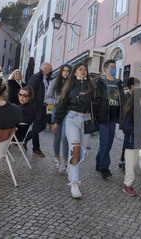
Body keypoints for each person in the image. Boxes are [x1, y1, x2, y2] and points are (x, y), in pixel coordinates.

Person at [52, 63, 100, 199]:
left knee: (81, 153)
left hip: (86, 120)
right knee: (76, 149)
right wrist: (56, 121)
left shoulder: (92, 87)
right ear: (75, 73)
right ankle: (74, 184)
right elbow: (62, 105)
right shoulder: (70, 87)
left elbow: (99, 102)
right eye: (80, 69)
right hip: (72, 118)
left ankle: (70, 169)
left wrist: (92, 106)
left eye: (85, 69)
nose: (83, 71)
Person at [94, 59, 125, 179]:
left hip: (113, 117)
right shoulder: (99, 82)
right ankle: (104, 167)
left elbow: (122, 99)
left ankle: (98, 162)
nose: (114, 68)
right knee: (105, 141)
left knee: (108, 142)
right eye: (112, 66)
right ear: (105, 68)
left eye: (115, 66)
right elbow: (96, 99)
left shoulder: (119, 83)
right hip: (103, 116)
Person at [45, 63, 71, 172]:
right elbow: (47, 98)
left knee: (65, 137)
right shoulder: (54, 82)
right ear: (61, 72)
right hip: (57, 111)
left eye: (68, 71)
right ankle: (56, 158)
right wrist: (56, 102)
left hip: (69, 112)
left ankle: (65, 160)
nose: (65, 73)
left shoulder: (72, 83)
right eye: (64, 70)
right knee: (57, 136)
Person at [26, 62, 52, 157]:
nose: (50, 71)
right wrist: (33, 105)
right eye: (49, 69)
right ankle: (36, 148)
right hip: (37, 106)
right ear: (44, 69)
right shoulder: (36, 77)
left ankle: (25, 139)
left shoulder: (46, 79)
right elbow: (30, 91)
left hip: (43, 106)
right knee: (37, 127)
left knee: (42, 126)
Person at [119, 77, 140, 172]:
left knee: (129, 142)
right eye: (137, 85)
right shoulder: (125, 96)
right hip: (126, 122)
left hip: (134, 122)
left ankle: (124, 160)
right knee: (127, 141)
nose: (138, 87)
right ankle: (124, 161)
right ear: (132, 86)